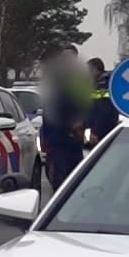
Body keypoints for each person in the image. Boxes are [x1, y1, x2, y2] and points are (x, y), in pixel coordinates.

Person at [37, 45, 87, 187]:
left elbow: (87, 105)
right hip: (57, 141)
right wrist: (46, 139)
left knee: (77, 180)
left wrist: (83, 123)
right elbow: (49, 110)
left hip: (75, 142)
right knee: (59, 182)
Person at [85, 57, 117, 149]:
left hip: (103, 131)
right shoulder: (97, 83)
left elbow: (103, 111)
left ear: (95, 69)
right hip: (100, 129)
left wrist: (96, 132)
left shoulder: (103, 85)